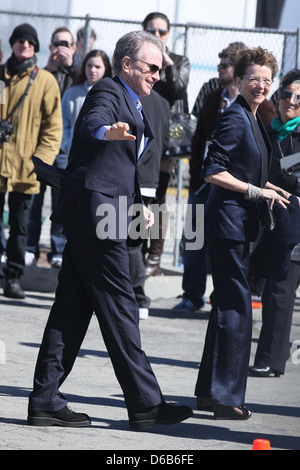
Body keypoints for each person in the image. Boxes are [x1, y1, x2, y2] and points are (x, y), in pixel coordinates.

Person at [27, 31, 193, 429]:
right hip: (99, 220)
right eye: (151, 67)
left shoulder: (136, 101)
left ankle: (45, 400)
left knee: (69, 312)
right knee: (121, 307)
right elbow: (94, 125)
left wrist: (140, 207)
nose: (157, 74)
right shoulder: (108, 91)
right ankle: (145, 404)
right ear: (126, 65)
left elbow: (119, 167)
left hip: (100, 215)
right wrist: (107, 131)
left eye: (160, 68)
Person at [194, 47, 291, 420]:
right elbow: (212, 170)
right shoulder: (235, 117)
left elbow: (245, 169)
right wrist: (257, 191)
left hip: (237, 224)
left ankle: (209, 392)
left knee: (225, 305)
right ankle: (225, 398)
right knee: (237, 309)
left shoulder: (252, 116)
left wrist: (269, 186)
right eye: (254, 79)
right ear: (238, 79)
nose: (261, 86)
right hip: (228, 226)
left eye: (267, 81)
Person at [173, 42, 246, 312]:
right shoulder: (213, 98)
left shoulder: (254, 104)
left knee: (225, 247)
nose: (219, 69)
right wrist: (197, 176)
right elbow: (198, 140)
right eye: (219, 64)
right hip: (203, 184)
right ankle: (192, 296)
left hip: (233, 189)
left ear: (237, 70)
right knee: (194, 241)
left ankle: (222, 300)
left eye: (225, 65)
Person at [0, 23, 62, 299]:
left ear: (36, 47)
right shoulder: (1, 77)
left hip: (26, 168)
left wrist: (41, 162)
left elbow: (53, 128)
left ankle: (13, 277)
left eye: (30, 42)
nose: (25, 45)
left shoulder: (46, 81)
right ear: (12, 44)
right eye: (20, 40)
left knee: (20, 227)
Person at [249, 69, 300, 378]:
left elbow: (285, 175)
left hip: (294, 223)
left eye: (298, 98)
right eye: (286, 95)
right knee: (272, 292)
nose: (290, 102)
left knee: (281, 292)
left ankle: (271, 359)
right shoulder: (268, 131)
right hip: (270, 221)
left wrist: (277, 177)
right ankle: (271, 356)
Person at [141, 12, 190, 277]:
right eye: (152, 30)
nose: (157, 36)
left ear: (169, 34)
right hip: (138, 131)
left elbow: (179, 90)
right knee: (138, 195)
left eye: (162, 31)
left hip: (164, 137)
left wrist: (167, 62)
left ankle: (154, 257)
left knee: (158, 197)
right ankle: (137, 252)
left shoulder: (179, 61)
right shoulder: (138, 58)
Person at [25, 27, 77, 268]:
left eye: (65, 43)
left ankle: (58, 249)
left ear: (74, 47)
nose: (60, 48)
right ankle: (30, 246)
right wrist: (47, 69)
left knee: (61, 202)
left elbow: (90, 84)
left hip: (66, 149)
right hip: (42, 147)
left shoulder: (78, 74)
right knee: (35, 199)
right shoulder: (44, 73)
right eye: (56, 43)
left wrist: (72, 66)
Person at [128, 89, 170, 320]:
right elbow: (167, 148)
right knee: (132, 242)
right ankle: (136, 297)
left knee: (131, 243)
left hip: (132, 180)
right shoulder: (162, 103)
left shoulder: (128, 96)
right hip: (148, 181)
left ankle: (138, 297)